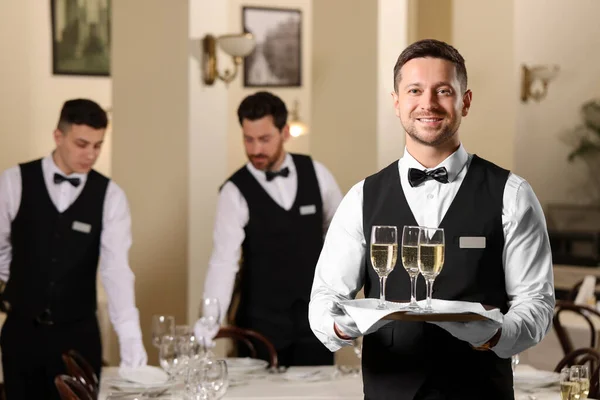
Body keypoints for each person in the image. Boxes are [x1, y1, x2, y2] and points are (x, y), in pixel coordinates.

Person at [309, 39, 555, 399]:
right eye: (414, 90)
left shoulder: (512, 194)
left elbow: (536, 303)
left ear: (465, 102)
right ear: (396, 102)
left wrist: (494, 333)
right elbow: (324, 300)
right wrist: (345, 324)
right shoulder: (362, 197)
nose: (428, 103)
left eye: (443, 91)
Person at [0, 99, 147, 399]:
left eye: (98, 145)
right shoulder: (13, 181)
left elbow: (116, 271)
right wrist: (20, 282)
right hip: (21, 332)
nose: (90, 154)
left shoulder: (111, 197)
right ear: (58, 136)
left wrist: (131, 340)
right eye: (82, 144)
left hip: (78, 335)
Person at [199, 91, 343, 367]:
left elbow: (342, 237)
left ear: (285, 132)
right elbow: (223, 261)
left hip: (315, 319)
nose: (255, 150)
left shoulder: (317, 173)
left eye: (264, 139)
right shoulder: (234, 191)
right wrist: (211, 318)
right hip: (259, 325)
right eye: (248, 139)